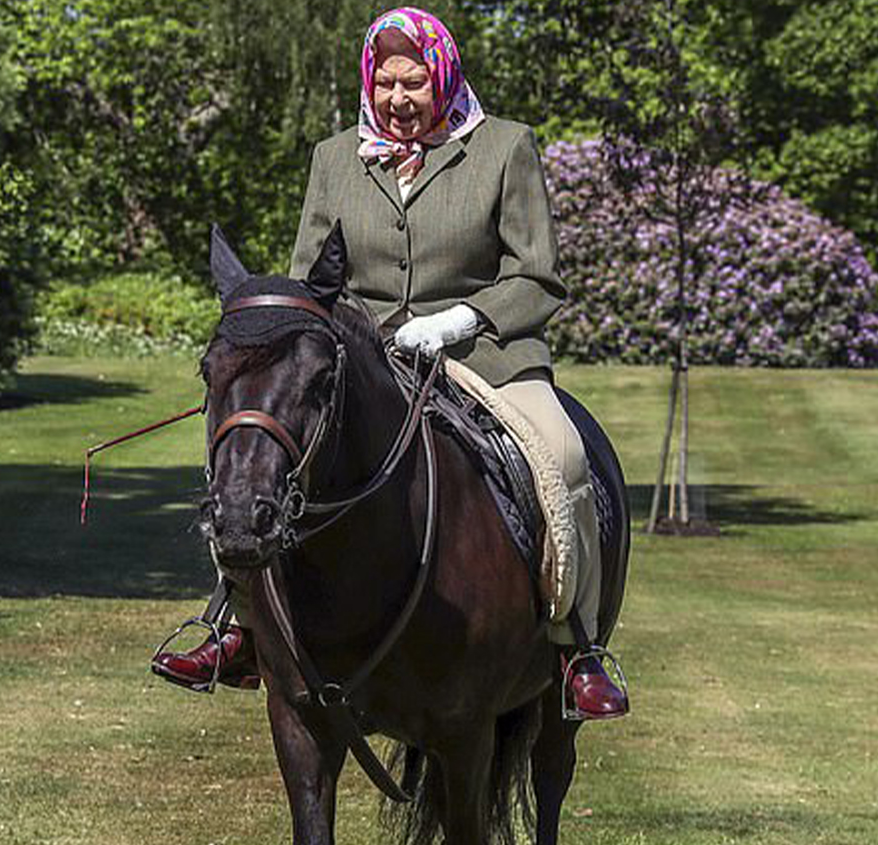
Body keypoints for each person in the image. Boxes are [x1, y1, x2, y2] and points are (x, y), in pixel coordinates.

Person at [154, 6, 627, 719]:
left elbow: (537, 277)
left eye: (414, 83)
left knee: (563, 454)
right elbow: (311, 280)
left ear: (444, 76)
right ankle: (239, 625)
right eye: (386, 84)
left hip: (485, 354)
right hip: (364, 357)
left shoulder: (504, 148)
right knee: (261, 454)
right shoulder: (334, 157)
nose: (399, 98)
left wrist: (460, 320)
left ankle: (576, 646)